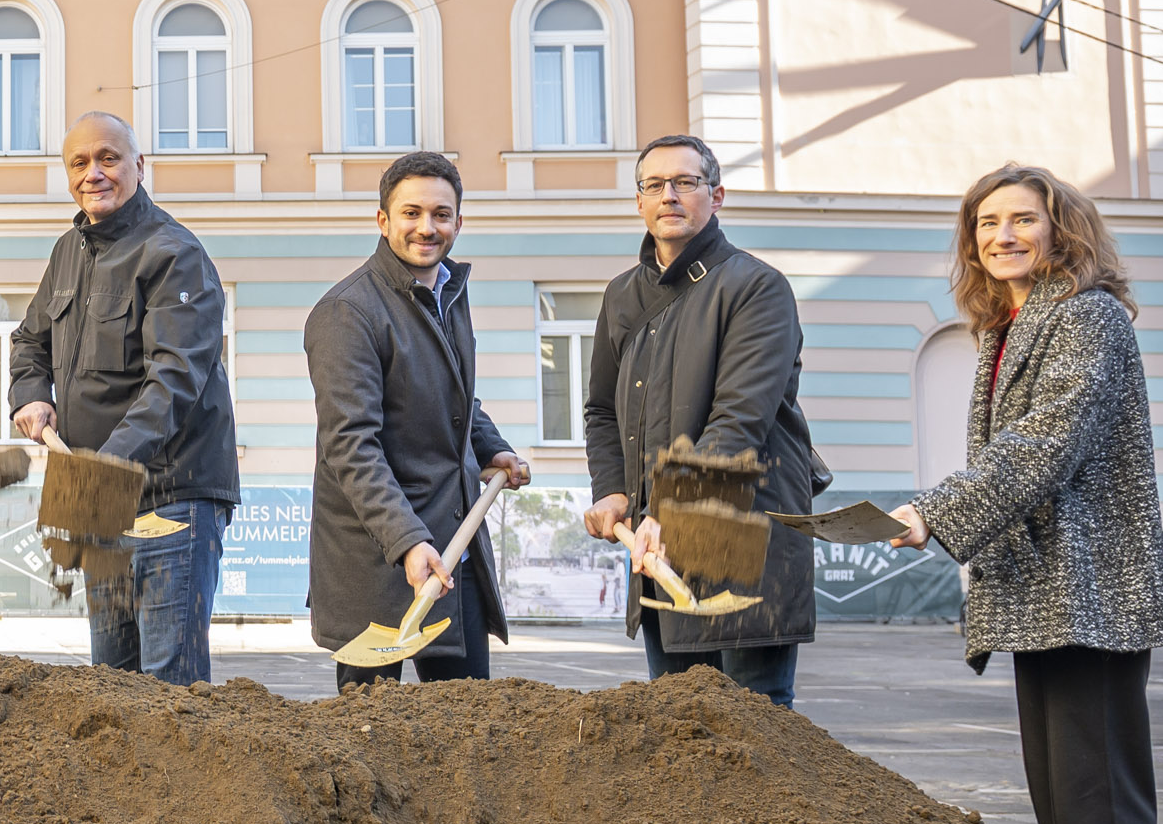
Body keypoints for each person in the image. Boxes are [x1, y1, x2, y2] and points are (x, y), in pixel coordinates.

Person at [890, 164, 1163, 824]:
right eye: (985, 224)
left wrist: (936, 511)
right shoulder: (1006, 326)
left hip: (1092, 587)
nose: (1001, 236)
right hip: (1042, 588)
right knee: (1065, 806)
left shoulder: (1087, 317)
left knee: (1098, 810)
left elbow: (1045, 443)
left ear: (1061, 229)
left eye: (1020, 219)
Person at [580, 132, 826, 707]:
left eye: (685, 182)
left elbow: (738, 419)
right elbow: (600, 410)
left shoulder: (757, 287)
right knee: (678, 729)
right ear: (638, 201)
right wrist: (613, 489)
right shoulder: (622, 296)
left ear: (716, 196)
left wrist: (670, 512)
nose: (669, 195)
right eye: (654, 185)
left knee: (756, 724)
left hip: (745, 539)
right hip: (661, 547)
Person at [7, 111, 238, 685]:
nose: (94, 173)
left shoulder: (173, 253)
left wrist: (104, 466)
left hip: (171, 497)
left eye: (108, 158)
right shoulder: (68, 251)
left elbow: (174, 380)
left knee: (168, 685)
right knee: (112, 683)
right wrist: (30, 397)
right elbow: (29, 339)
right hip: (99, 500)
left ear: (140, 165)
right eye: (79, 163)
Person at [304, 153, 531, 687]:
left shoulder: (447, 293)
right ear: (383, 221)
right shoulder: (348, 313)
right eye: (411, 213)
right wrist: (406, 541)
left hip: (454, 546)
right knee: (370, 736)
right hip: (376, 556)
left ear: (458, 221)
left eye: (441, 214)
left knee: (465, 728)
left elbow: (456, 401)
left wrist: (491, 447)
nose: (427, 227)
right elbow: (351, 444)